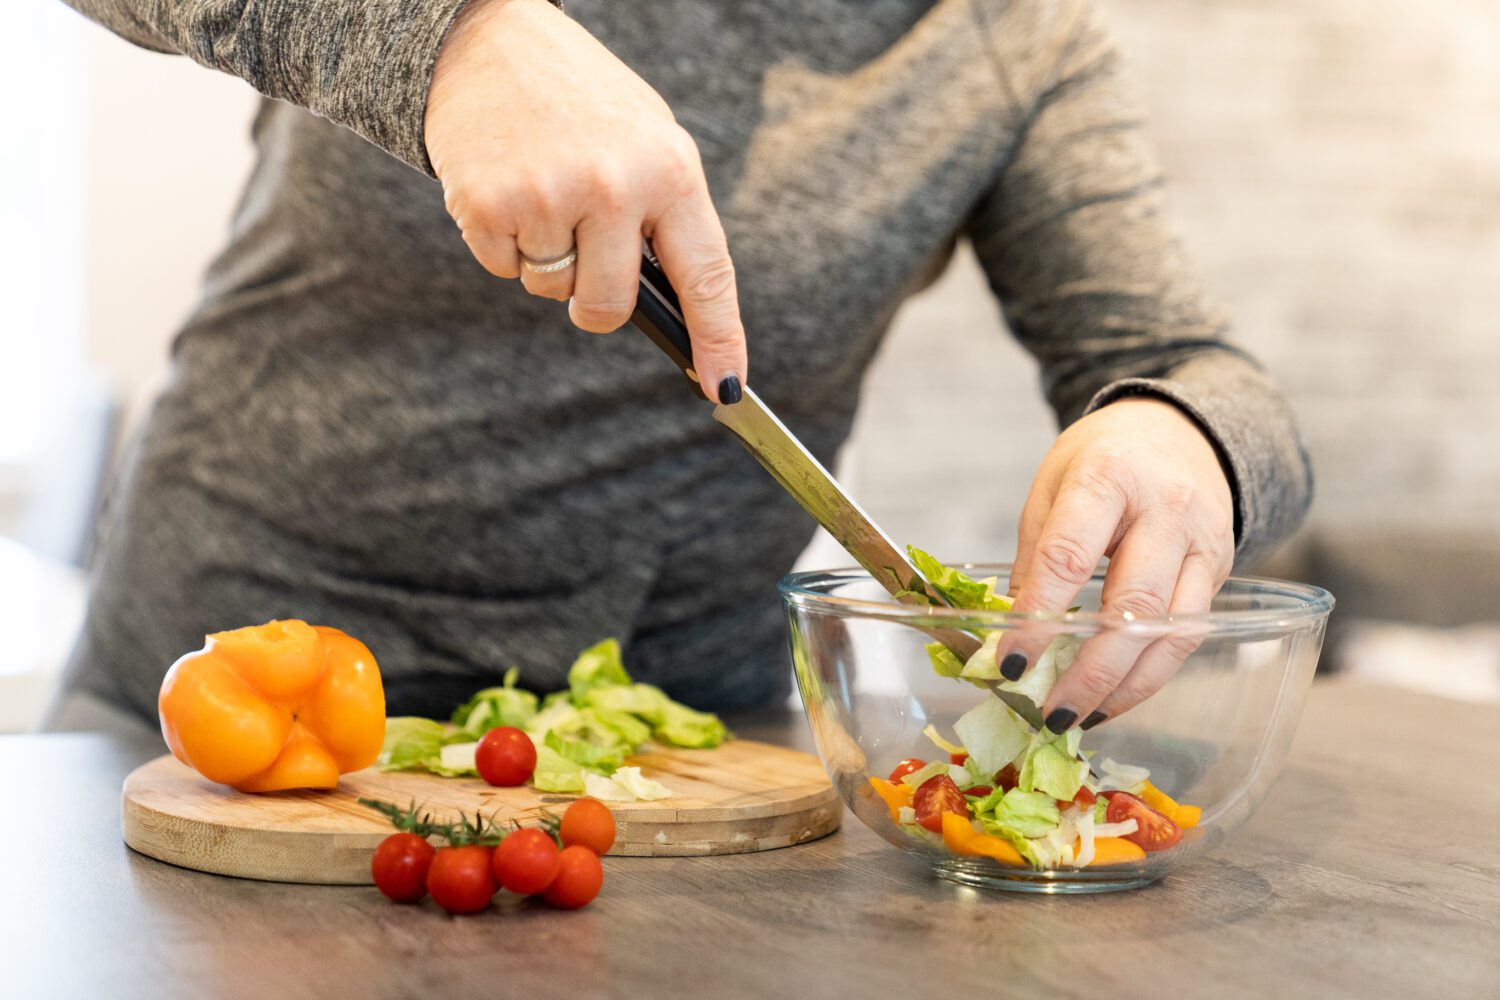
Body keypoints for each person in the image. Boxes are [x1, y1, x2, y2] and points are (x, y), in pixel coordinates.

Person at [50, 0, 1311, 736]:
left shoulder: (1008, 39)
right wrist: (454, 33)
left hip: (675, 766)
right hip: (217, 700)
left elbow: (1197, 367)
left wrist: (1178, 431)